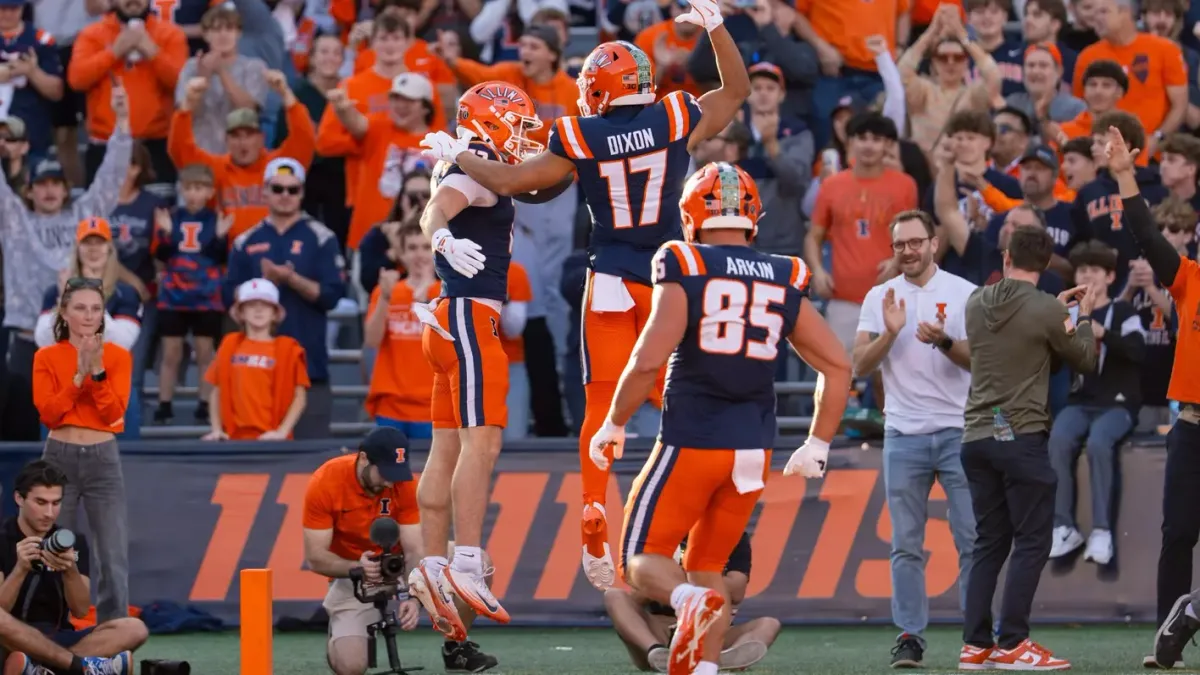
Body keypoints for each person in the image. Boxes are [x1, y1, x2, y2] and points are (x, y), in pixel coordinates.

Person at [421, 0, 751, 590]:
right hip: (665, 278)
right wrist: (716, 26)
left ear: (597, 90)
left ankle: (595, 510)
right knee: (681, 397)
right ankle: (700, 511)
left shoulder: (579, 133)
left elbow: (511, 181)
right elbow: (736, 89)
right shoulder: (674, 115)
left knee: (601, 402)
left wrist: (458, 152)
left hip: (608, 276)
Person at [589, 163, 852, 675]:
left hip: (692, 437)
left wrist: (614, 421)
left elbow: (647, 358)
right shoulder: (786, 271)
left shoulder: (683, 260)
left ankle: (685, 601)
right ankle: (706, 667)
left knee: (641, 559)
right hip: (754, 448)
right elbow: (838, 366)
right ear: (753, 215)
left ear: (691, 215)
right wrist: (818, 443)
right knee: (709, 565)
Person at [404, 83, 534, 639]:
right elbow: (434, 212)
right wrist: (442, 241)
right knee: (482, 444)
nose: (524, 135)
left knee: (446, 447)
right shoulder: (470, 173)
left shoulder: (466, 166)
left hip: (446, 320)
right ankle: (466, 562)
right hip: (468, 318)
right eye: (517, 123)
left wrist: (441, 241)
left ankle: (433, 564)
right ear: (490, 123)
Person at [958, 225, 1099, 671]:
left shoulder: (976, 302)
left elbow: (1014, 336)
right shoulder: (1045, 309)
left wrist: (1055, 313)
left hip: (980, 433)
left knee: (989, 542)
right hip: (1018, 434)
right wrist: (1083, 317)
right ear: (1047, 263)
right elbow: (1084, 358)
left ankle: (975, 644)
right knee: (1034, 539)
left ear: (1006, 257)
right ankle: (1013, 641)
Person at [1090, 123, 1200, 668]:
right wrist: (1125, 175)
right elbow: (1147, 236)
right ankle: (1168, 640)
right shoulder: (1189, 279)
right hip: (1193, 426)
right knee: (1177, 532)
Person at [851, 209, 978, 668]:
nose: (908, 250)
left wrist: (944, 341)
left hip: (959, 430)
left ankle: (978, 634)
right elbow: (860, 365)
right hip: (903, 433)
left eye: (915, 242)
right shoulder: (879, 296)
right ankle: (910, 636)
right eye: (900, 244)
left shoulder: (965, 293)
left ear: (933, 243)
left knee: (972, 540)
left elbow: (981, 363)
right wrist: (890, 333)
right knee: (905, 543)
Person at [302, 427, 499, 675]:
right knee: (350, 666)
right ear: (363, 458)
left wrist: (414, 597)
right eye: (384, 473)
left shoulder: (403, 484)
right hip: (357, 574)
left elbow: (415, 548)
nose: (389, 481)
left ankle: (455, 648)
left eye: (395, 473)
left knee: (477, 563)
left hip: (401, 563)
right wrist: (356, 567)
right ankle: (342, 632)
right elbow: (316, 558)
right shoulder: (325, 482)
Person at [0, 84, 131, 442]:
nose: (50, 190)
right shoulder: (14, 221)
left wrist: (122, 120)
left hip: (80, 345)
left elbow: (111, 177)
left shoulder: (83, 218)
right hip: (28, 340)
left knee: (79, 438)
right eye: (42, 184)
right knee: (23, 441)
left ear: (65, 187)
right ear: (29, 189)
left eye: (57, 183)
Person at [30, 279, 133, 628]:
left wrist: (98, 372)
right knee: (53, 546)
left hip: (103, 455)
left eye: (95, 308)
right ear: (64, 312)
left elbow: (114, 415)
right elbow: (48, 414)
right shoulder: (46, 356)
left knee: (113, 552)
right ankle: (50, 626)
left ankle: (115, 632)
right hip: (58, 456)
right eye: (80, 307)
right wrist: (78, 377)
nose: (89, 315)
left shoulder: (119, 356)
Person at [222, 158, 347, 440]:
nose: (285, 196)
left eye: (293, 190)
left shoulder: (321, 237)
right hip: (254, 372)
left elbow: (332, 295)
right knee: (250, 465)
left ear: (302, 193)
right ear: (264, 191)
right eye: (277, 189)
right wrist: (262, 286)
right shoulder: (245, 240)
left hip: (308, 366)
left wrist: (291, 280)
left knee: (310, 459)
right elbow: (228, 296)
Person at [0, 460, 146, 663]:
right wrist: (20, 569)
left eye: (56, 503)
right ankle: (75, 667)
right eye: (41, 503)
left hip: (59, 637)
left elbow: (80, 610)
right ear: (19, 498)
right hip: (11, 639)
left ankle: (46, 668)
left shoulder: (71, 541)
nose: (49, 513)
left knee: (134, 628)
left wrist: (70, 571)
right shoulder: (3, 538)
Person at [603, 533, 781, 673]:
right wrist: (705, 581)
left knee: (769, 624)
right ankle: (657, 654)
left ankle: (717, 659)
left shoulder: (734, 536)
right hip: (661, 629)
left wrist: (674, 579)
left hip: (710, 631)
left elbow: (737, 590)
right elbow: (637, 595)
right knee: (614, 596)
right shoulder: (659, 534)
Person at [149, 164, 232, 426]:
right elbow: (161, 254)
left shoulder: (215, 218)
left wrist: (220, 236)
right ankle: (165, 404)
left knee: (205, 352)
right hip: (174, 294)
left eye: (199, 188)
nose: (194, 194)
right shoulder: (171, 216)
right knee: (171, 352)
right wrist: (165, 234)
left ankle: (204, 403)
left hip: (206, 296)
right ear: (182, 190)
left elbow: (219, 256)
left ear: (209, 191)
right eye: (189, 188)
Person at [202, 279, 308, 442]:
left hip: (272, 440)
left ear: (274, 313)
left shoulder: (288, 349)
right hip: (233, 439)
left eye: (265, 305)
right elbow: (216, 390)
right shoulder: (229, 344)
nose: (258, 310)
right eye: (251, 305)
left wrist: (282, 432)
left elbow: (300, 397)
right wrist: (216, 429)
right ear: (241, 313)